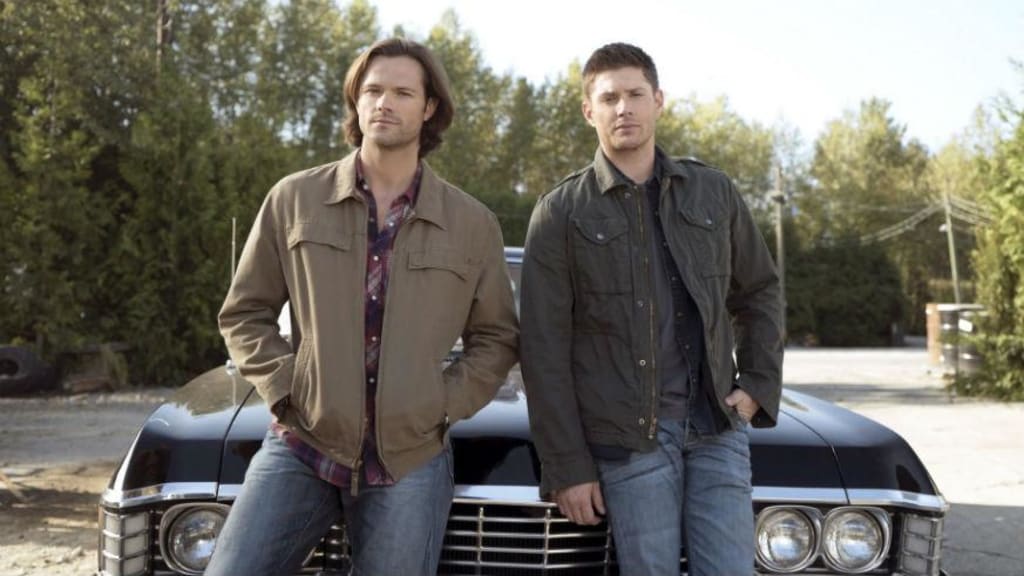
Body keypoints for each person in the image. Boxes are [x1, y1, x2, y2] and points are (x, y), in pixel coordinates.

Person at [209, 37, 519, 576]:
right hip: (302, 444)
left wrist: (441, 402)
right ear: (356, 100)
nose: (384, 103)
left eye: (402, 92)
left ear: (429, 108)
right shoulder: (293, 199)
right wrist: (287, 388)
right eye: (372, 90)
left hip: (411, 456)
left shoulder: (472, 223)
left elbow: (495, 337)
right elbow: (244, 313)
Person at [520, 42, 782, 576]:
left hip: (717, 424)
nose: (624, 108)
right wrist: (568, 465)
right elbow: (543, 351)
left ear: (658, 100)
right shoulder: (560, 212)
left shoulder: (713, 192)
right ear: (588, 111)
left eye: (635, 94)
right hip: (628, 440)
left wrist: (756, 384)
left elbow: (759, 290)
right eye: (609, 98)